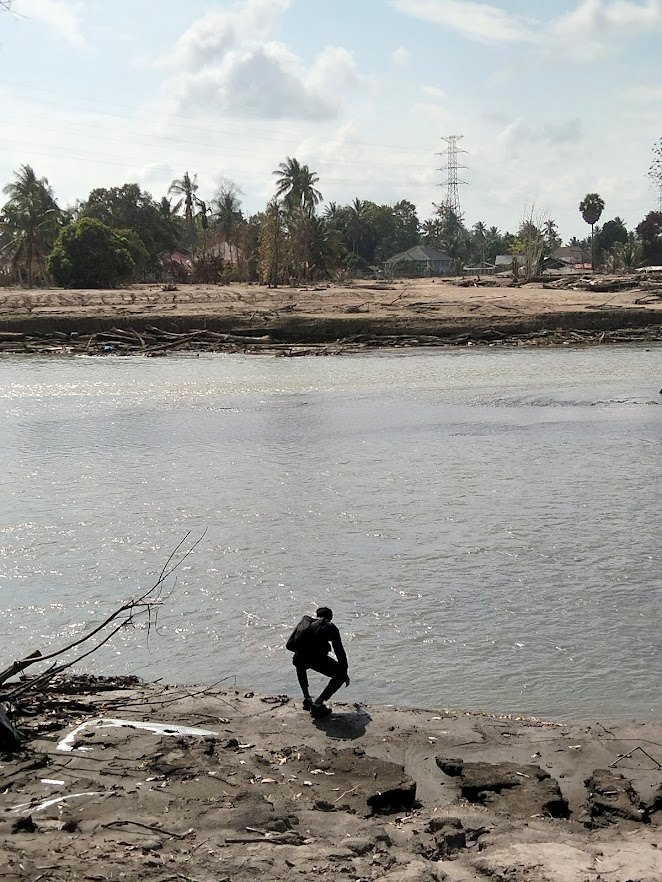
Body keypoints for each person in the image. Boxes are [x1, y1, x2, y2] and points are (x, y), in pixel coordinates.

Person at [289, 606, 350, 718]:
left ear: (317, 615)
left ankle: (307, 698)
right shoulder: (330, 627)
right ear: (330, 617)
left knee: (300, 662)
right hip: (315, 659)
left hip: (299, 658)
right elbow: (339, 650)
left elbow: (291, 643)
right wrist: (344, 671)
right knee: (340, 675)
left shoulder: (305, 623)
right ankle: (318, 704)